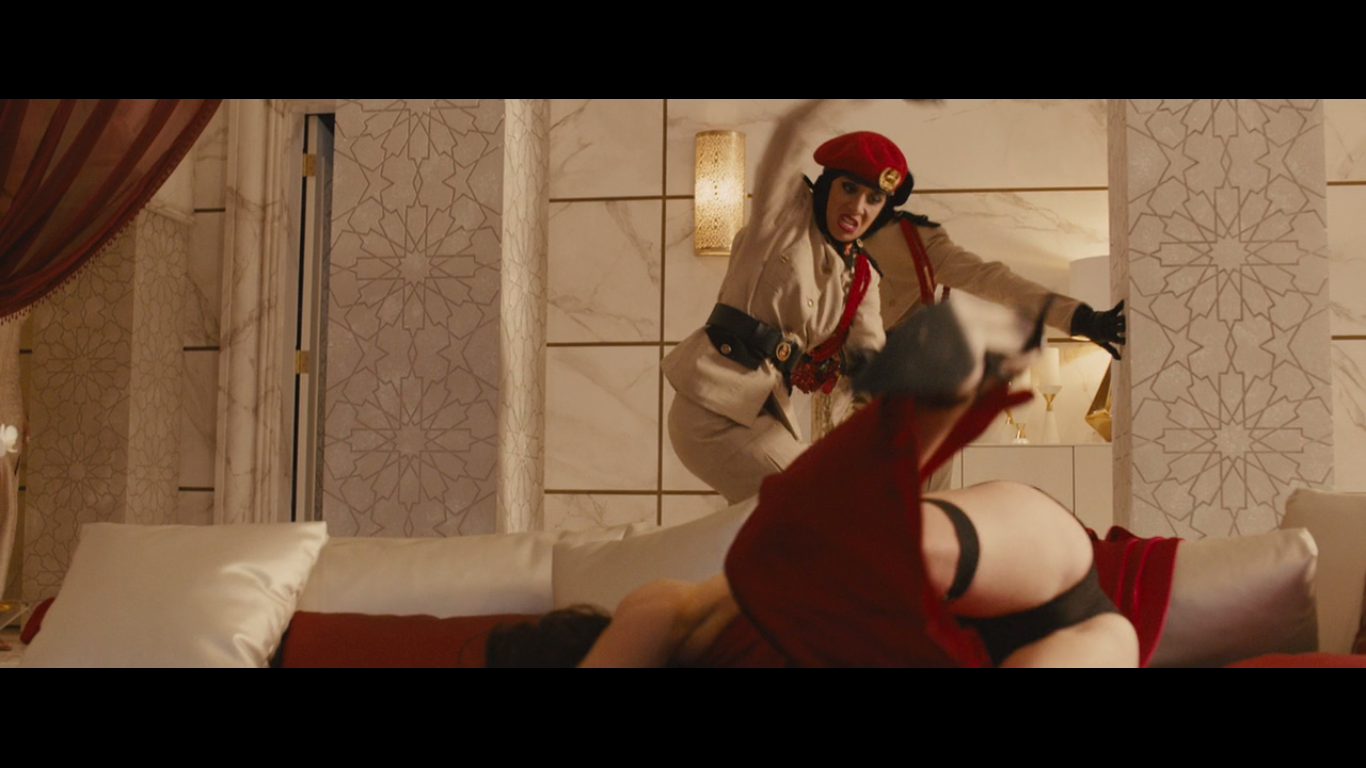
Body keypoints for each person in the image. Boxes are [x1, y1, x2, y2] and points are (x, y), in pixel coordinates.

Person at [488, 301, 1143, 668]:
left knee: (860, 551)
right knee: (865, 550)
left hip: (998, 568)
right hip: (1046, 613)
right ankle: (924, 409)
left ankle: (925, 407)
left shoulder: (656, 609)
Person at [664, 100, 918, 503]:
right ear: (828, 183)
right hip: (711, 408)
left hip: (765, 414)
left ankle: (657, 548)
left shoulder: (861, 278)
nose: (857, 207)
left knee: (788, 518)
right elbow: (792, 131)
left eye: (874, 198)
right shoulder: (785, 212)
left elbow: (869, 366)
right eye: (849, 188)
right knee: (816, 500)